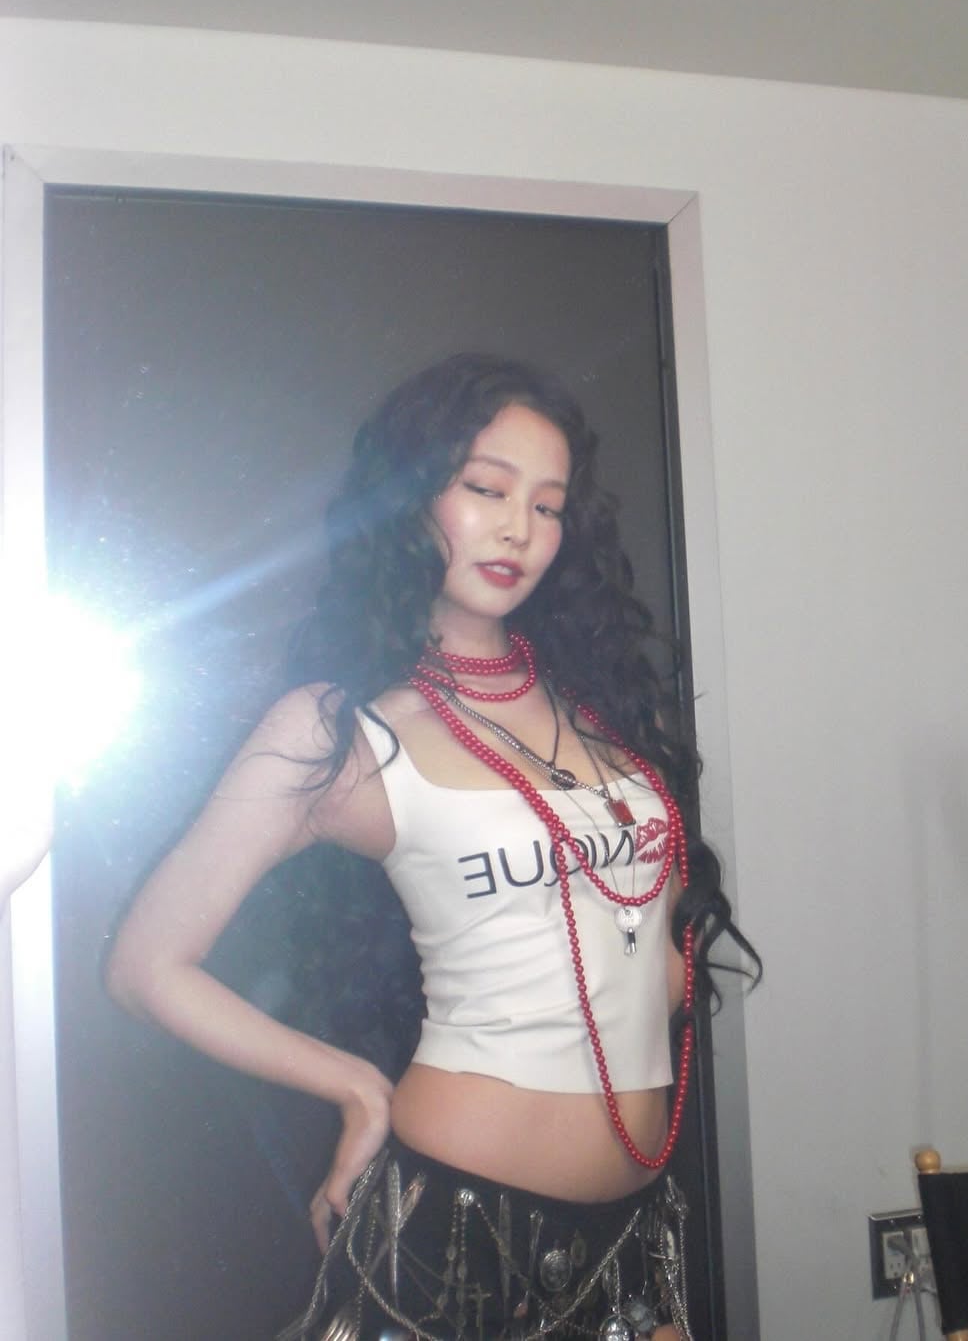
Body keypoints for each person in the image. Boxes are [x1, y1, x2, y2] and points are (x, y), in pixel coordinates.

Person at [106, 353, 757, 1341]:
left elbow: (640, 967)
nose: (519, 528)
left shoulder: (605, 711)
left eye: (548, 505)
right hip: (451, 1237)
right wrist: (353, 1087)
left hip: (633, 1237)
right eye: (487, 489)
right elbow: (145, 966)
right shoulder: (344, 731)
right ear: (411, 500)